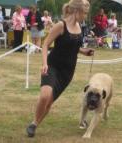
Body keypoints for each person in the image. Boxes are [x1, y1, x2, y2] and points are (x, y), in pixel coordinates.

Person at [26, 0, 94, 137]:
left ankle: (35, 124)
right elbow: (45, 44)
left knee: (49, 102)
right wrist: (44, 64)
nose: (85, 16)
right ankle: (33, 123)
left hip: (67, 72)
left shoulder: (79, 26)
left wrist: (83, 51)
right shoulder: (60, 25)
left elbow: (73, 47)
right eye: (84, 13)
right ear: (76, 11)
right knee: (45, 95)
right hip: (53, 66)